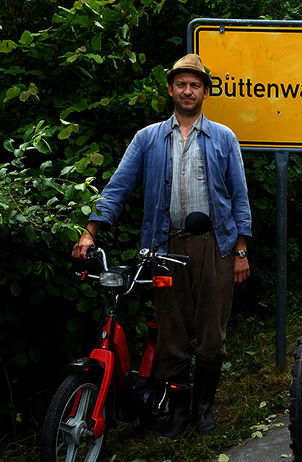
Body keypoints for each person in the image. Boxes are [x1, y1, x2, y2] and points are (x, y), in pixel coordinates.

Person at [72, 54, 252, 438]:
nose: (188, 91)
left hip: (216, 247)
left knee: (211, 334)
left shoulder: (224, 137)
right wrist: (90, 230)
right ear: (171, 89)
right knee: (171, 334)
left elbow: (240, 198)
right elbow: (118, 187)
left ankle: (203, 411)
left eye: (195, 85)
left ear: (205, 91)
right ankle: (178, 413)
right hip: (165, 246)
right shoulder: (148, 138)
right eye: (181, 84)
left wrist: (240, 250)